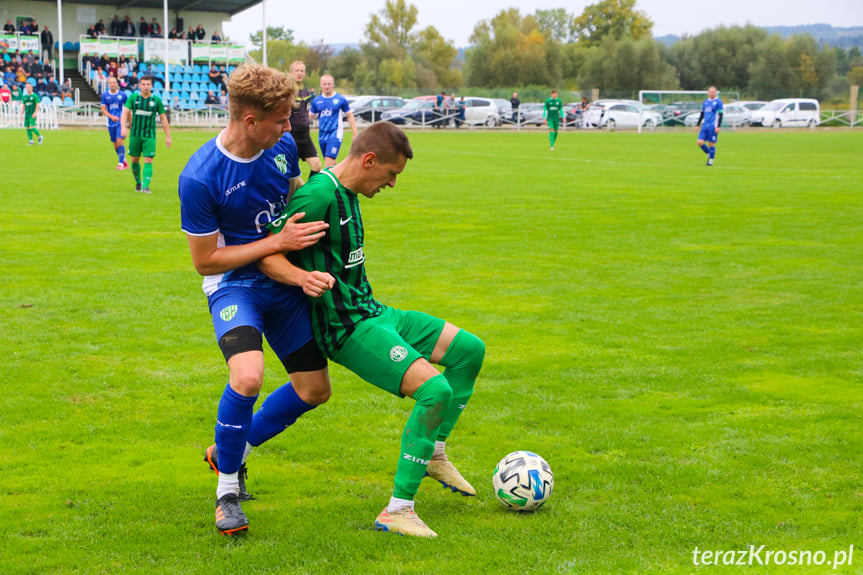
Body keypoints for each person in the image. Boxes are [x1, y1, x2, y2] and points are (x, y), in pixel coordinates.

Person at [264, 121, 485, 538]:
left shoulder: (346, 191)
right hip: (346, 327)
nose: (393, 184)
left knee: (469, 351)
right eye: (391, 174)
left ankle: (434, 451)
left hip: (374, 311)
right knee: (434, 390)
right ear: (368, 160)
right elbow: (267, 254)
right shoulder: (319, 195)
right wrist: (300, 279)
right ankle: (398, 510)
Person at [178, 64, 335, 536]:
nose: (290, 128)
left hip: (282, 282)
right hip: (233, 286)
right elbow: (207, 261)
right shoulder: (201, 176)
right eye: (281, 119)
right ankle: (227, 490)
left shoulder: (282, 148)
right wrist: (274, 245)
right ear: (250, 121)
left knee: (315, 390)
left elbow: (290, 211)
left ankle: (231, 452)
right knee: (247, 377)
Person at [120, 76, 171, 193]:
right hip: (135, 135)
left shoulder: (156, 100)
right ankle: (138, 183)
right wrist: (123, 127)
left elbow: (163, 118)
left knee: (148, 159)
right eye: (143, 84)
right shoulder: (133, 98)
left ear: (152, 86)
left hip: (149, 135)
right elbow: (125, 112)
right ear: (139, 85)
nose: (146, 86)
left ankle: (146, 186)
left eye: (148, 84)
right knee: (134, 160)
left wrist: (168, 136)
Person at [309, 74, 357, 168]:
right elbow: (311, 116)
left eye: (329, 84)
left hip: (335, 134)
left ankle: (327, 182)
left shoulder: (340, 99)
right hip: (322, 135)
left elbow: (350, 116)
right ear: (321, 84)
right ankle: (340, 179)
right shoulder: (316, 101)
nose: (327, 86)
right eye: (325, 84)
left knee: (328, 163)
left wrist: (355, 133)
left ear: (333, 84)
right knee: (332, 162)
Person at [288, 61, 322, 177]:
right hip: (291, 135)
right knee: (290, 172)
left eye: (302, 71)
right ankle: (288, 194)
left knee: (317, 166)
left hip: (305, 135)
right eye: (297, 70)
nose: (299, 73)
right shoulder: (287, 90)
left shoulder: (305, 91)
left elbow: (305, 110)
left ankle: (308, 193)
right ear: (291, 72)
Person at [101, 76, 128, 170]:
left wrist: (128, 121)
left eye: (114, 82)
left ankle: (120, 164)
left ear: (117, 84)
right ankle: (123, 160)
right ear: (108, 84)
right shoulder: (104, 95)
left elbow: (128, 109)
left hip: (121, 122)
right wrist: (111, 117)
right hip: (110, 122)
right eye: (110, 83)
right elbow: (103, 109)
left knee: (120, 140)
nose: (112, 84)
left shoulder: (123, 95)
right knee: (115, 144)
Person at [696, 85, 723, 167]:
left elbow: (721, 114)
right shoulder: (705, 102)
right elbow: (702, 114)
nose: (711, 94)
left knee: (711, 143)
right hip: (705, 126)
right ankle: (709, 154)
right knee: (699, 142)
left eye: (713, 92)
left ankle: (711, 160)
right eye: (710, 92)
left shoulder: (718, 102)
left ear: (715, 93)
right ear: (708, 93)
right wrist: (697, 125)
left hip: (713, 126)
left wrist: (718, 126)